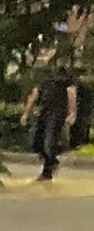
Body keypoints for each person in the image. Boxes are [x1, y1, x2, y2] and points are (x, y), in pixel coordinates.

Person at [21, 49, 80, 182]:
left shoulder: (65, 74)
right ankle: (50, 164)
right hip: (44, 111)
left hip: (57, 112)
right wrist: (26, 113)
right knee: (36, 142)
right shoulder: (43, 75)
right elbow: (35, 93)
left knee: (49, 142)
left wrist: (72, 113)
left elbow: (71, 93)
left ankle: (49, 168)